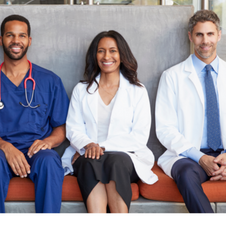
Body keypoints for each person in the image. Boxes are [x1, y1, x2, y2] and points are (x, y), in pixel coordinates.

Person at [156, 9, 226, 213]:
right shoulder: (172, 76)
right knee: (186, 174)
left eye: (209, 34)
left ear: (218, 35)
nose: (204, 41)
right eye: (199, 34)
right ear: (190, 37)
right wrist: (201, 158)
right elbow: (166, 129)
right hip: (190, 158)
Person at [0, 14, 69, 213]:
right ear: (1, 40)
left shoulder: (50, 81)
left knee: (50, 160)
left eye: (22, 36)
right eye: (10, 35)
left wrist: (49, 142)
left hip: (37, 151)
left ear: (29, 41)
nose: (16, 41)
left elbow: (61, 128)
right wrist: (7, 147)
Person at [62, 31, 158, 213]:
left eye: (113, 51)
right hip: (88, 154)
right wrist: (88, 146)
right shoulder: (81, 90)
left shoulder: (137, 90)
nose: (107, 56)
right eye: (101, 51)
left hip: (125, 156)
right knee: (90, 162)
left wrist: (99, 146)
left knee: (115, 161)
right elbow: (73, 128)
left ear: (122, 55)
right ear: (94, 55)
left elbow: (139, 136)